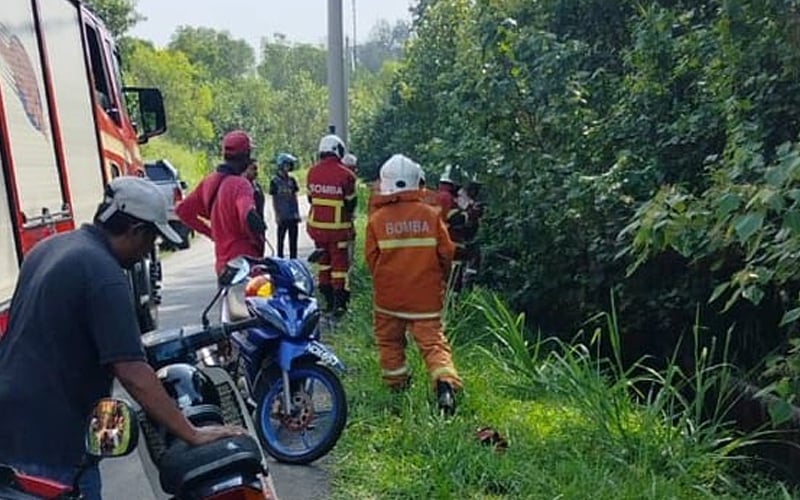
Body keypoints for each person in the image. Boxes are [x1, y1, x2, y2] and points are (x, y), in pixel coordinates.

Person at [0, 177, 244, 500]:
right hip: (54, 450)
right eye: (152, 240)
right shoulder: (104, 274)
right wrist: (192, 433)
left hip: (11, 431)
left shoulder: (50, 248)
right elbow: (132, 372)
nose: (148, 252)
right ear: (135, 231)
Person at [365, 154, 462, 416]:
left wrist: (386, 280)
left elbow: (371, 260)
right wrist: (438, 279)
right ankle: (444, 385)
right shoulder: (430, 215)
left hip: (388, 298)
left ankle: (397, 387)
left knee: (390, 343)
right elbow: (447, 254)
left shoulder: (376, 219)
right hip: (425, 297)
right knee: (433, 345)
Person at [176, 130, 266, 275]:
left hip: (223, 266)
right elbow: (247, 214)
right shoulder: (241, 185)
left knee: (228, 298)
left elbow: (182, 210)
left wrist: (212, 233)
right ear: (246, 155)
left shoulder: (208, 182)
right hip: (245, 263)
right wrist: (258, 239)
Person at [306, 134, 356, 316]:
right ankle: (339, 303)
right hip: (338, 230)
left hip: (316, 228)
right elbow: (350, 204)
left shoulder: (312, 172)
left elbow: (311, 199)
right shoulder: (347, 175)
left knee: (323, 263)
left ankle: (326, 300)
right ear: (337, 150)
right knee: (339, 266)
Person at [269, 153, 301, 259]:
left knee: (293, 241)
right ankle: (280, 261)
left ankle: (294, 261)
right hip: (282, 215)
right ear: (281, 165)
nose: (289, 167)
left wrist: (297, 213)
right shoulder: (274, 181)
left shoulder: (292, 180)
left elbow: (294, 196)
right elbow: (274, 199)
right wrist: (277, 215)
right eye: (286, 164)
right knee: (281, 240)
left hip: (292, 214)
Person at [243, 161, 265, 226]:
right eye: (252, 169)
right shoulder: (242, 187)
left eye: (256, 169)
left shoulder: (257, 186)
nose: (255, 172)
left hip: (258, 222)